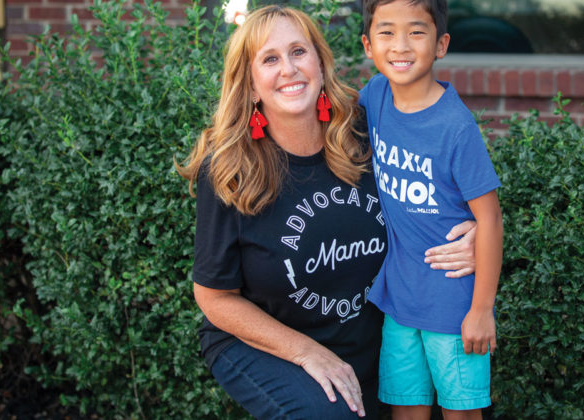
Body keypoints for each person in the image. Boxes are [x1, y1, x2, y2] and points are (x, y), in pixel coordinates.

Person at [176, 5, 478, 419]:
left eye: (298, 52)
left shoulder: (368, 130)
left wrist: (473, 235)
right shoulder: (230, 168)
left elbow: (443, 185)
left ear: (320, 62)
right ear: (250, 85)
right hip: (266, 342)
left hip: (369, 338)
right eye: (269, 59)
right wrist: (305, 353)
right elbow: (214, 297)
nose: (288, 69)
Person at [359, 0, 503, 419]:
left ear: (441, 45)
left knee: (460, 413)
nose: (400, 45)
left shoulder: (455, 127)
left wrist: (481, 310)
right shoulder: (376, 96)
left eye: (416, 32)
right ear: (369, 45)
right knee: (407, 410)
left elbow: (490, 218)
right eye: (386, 32)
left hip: (453, 303)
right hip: (399, 302)